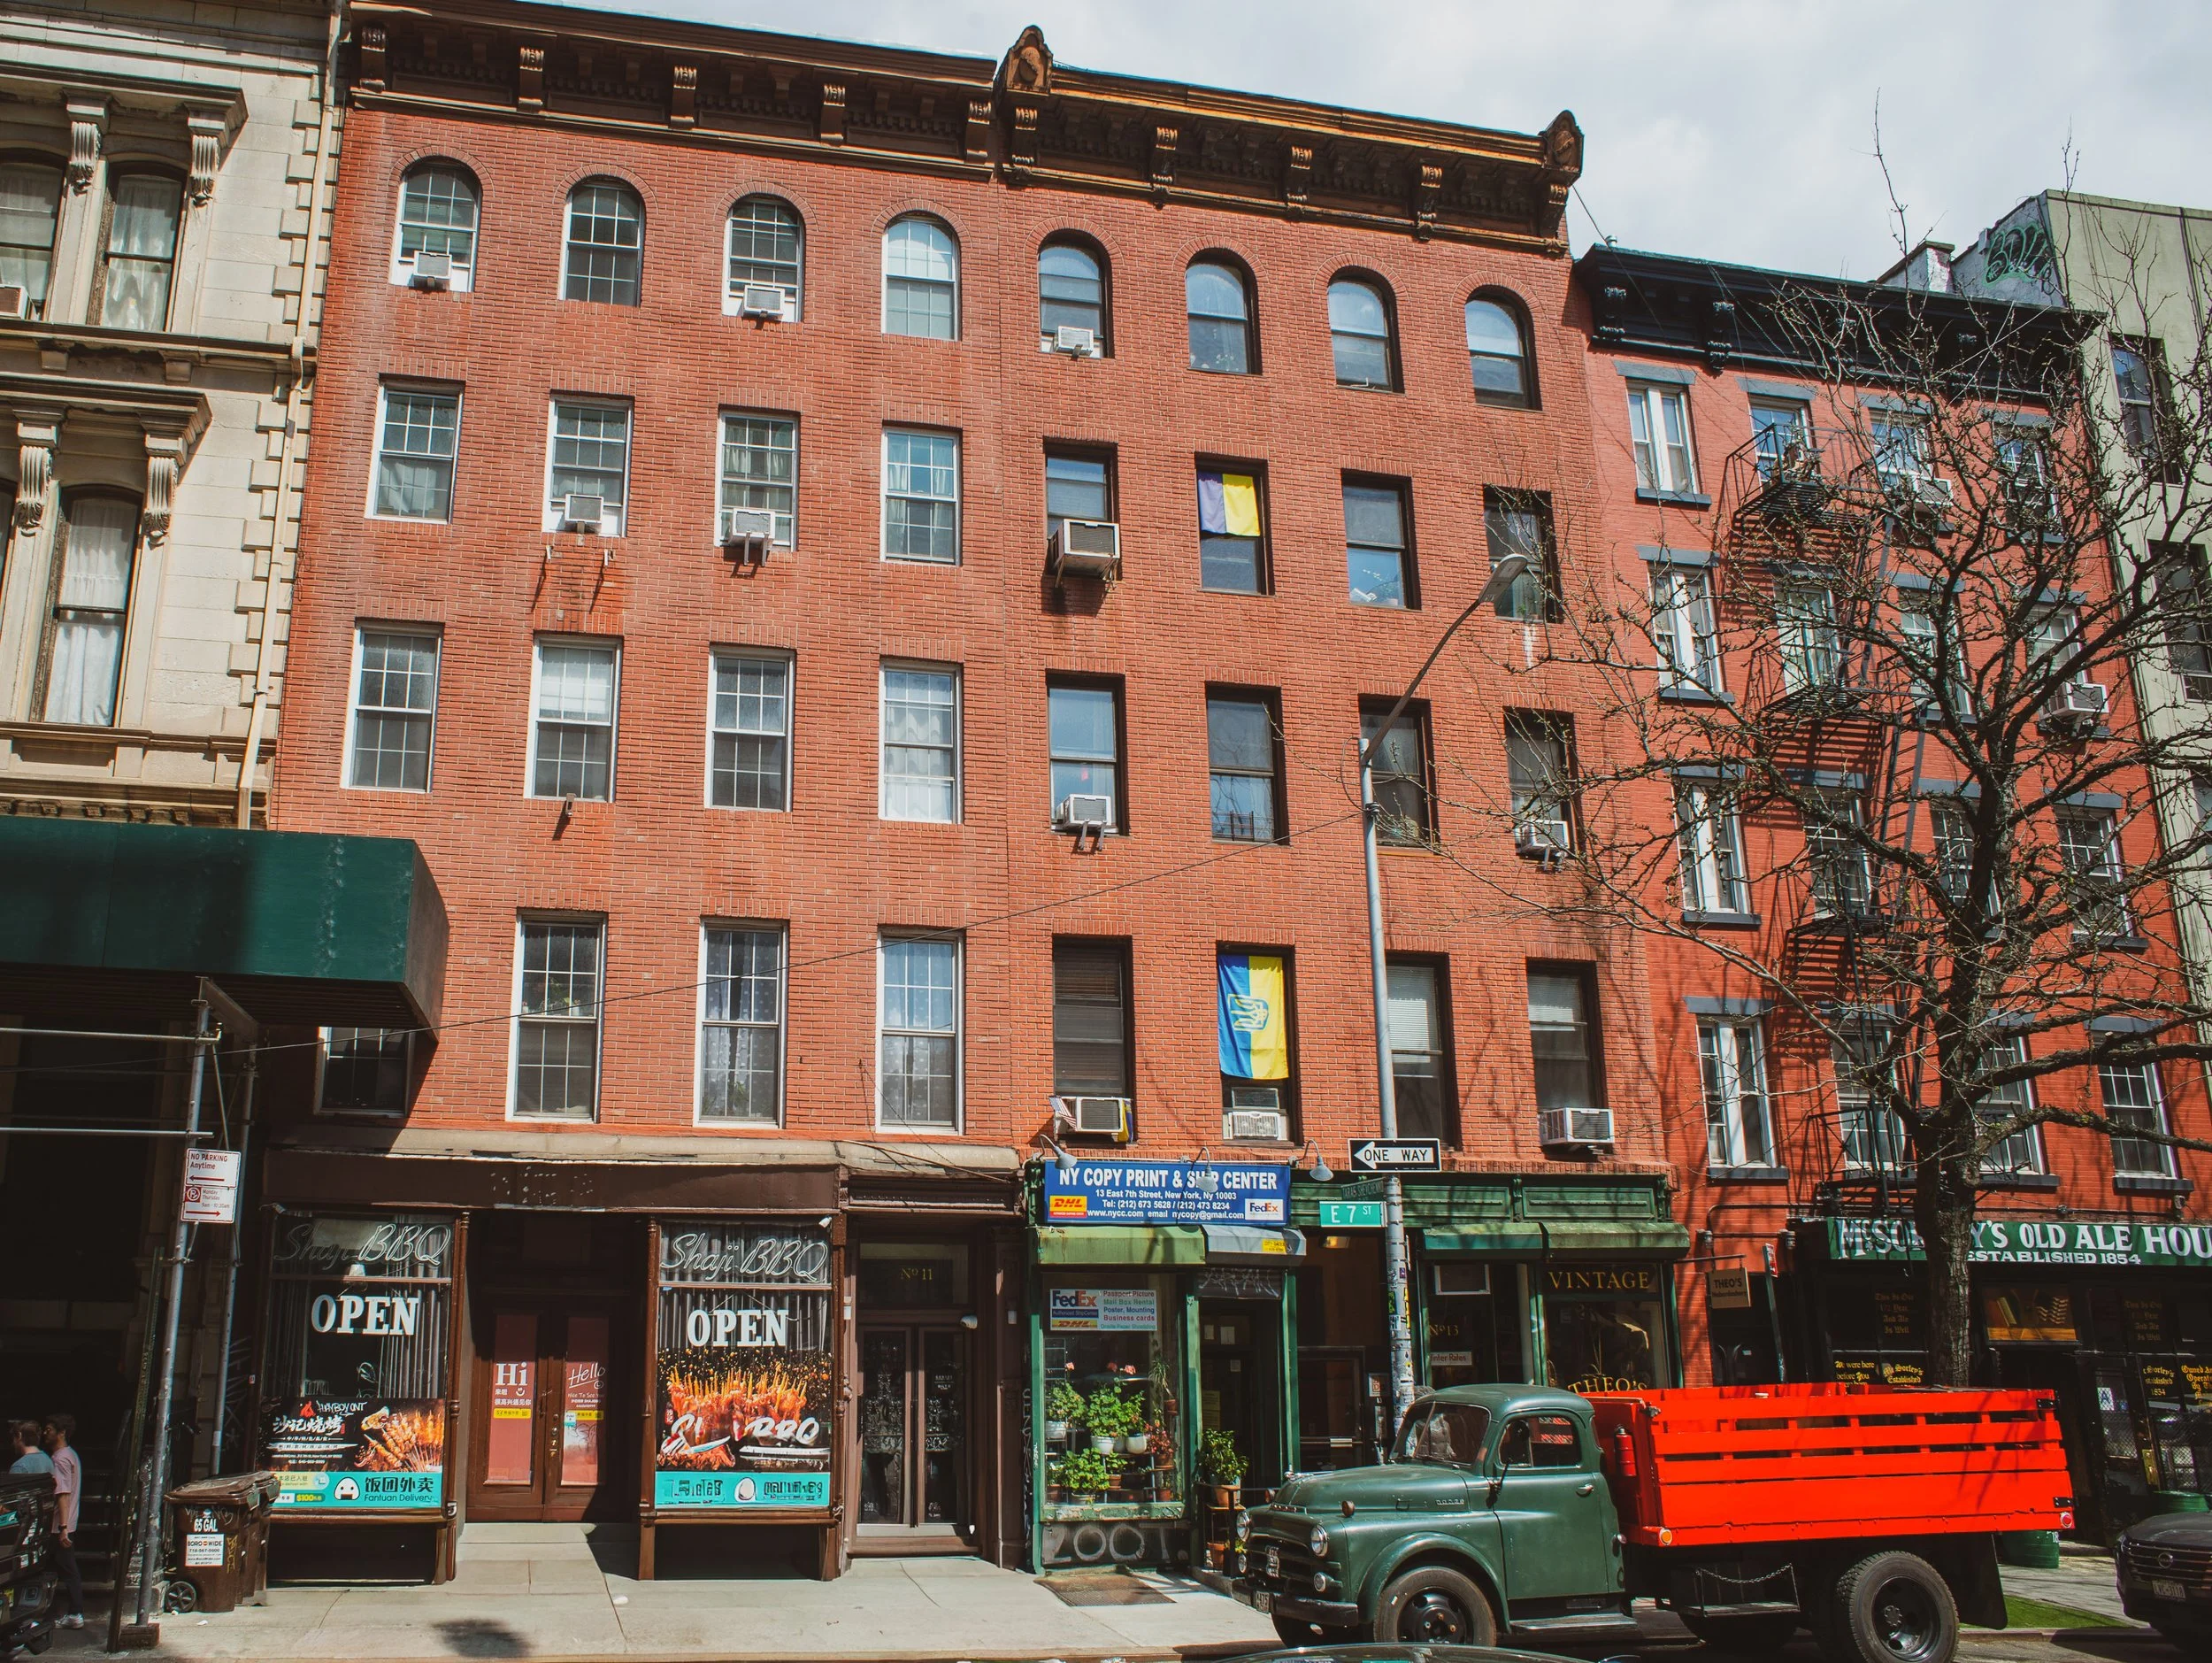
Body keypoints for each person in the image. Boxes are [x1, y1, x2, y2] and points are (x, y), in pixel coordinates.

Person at [42, 1414, 83, 1630]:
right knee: (62, 1569)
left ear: (62, 1432)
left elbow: (63, 1494)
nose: (45, 1433)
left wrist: (63, 1528)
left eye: (49, 1429)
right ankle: (53, 1612)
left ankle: (75, 1612)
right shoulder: (71, 1455)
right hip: (65, 1523)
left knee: (65, 1570)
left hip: (59, 1524)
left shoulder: (60, 1459)